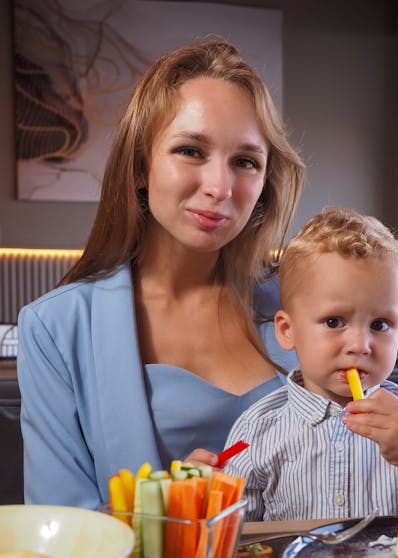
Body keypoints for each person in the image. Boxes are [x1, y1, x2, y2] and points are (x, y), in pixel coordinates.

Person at [17, 39, 304, 509]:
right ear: (139, 167)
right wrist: (165, 508)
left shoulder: (303, 304)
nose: (219, 187)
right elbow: (63, 527)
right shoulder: (54, 329)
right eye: (191, 150)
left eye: (245, 162)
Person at [224, 207, 398, 520]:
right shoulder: (255, 432)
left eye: (381, 325)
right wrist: (207, 494)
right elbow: (235, 540)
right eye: (334, 321)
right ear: (287, 331)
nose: (360, 345)